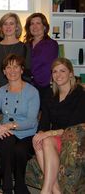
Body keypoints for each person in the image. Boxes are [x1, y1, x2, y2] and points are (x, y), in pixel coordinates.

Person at [0, 54, 39, 194]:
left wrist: (10, 125)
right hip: (6, 132)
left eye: (16, 67)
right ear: (4, 71)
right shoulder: (0, 92)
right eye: (8, 67)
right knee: (6, 143)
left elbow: (31, 121)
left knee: (20, 150)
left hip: (27, 133)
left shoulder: (32, 92)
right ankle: (7, 188)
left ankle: (20, 185)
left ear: (22, 70)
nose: (12, 70)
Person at [32, 58, 85, 194]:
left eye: (62, 70)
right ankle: (55, 191)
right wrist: (39, 134)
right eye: (55, 71)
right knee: (39, 141)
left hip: (72, 141)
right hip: (55, 139)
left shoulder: (79, 93)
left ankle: (46, 190)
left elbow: (73, 125)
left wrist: (48, 134)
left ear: (71, 74)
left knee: (47, 140)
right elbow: (44, 121)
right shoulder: (50, 94)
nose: (58, 75)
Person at [0, 12, 30, 91]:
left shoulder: (24, 47)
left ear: (16, 27)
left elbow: (27, 72)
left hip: (19, 92)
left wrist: (17, 88)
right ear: (1, 28)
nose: (8, 27)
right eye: (5, 24)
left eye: (11, 23)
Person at [24, 13, 58, 103]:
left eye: (38, 23)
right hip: (27, 86)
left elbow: (50, 66)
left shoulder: (51, 44)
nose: (35, 26)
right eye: (32, 23)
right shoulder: (26, 45)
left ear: (44, 27)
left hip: (45, 87)